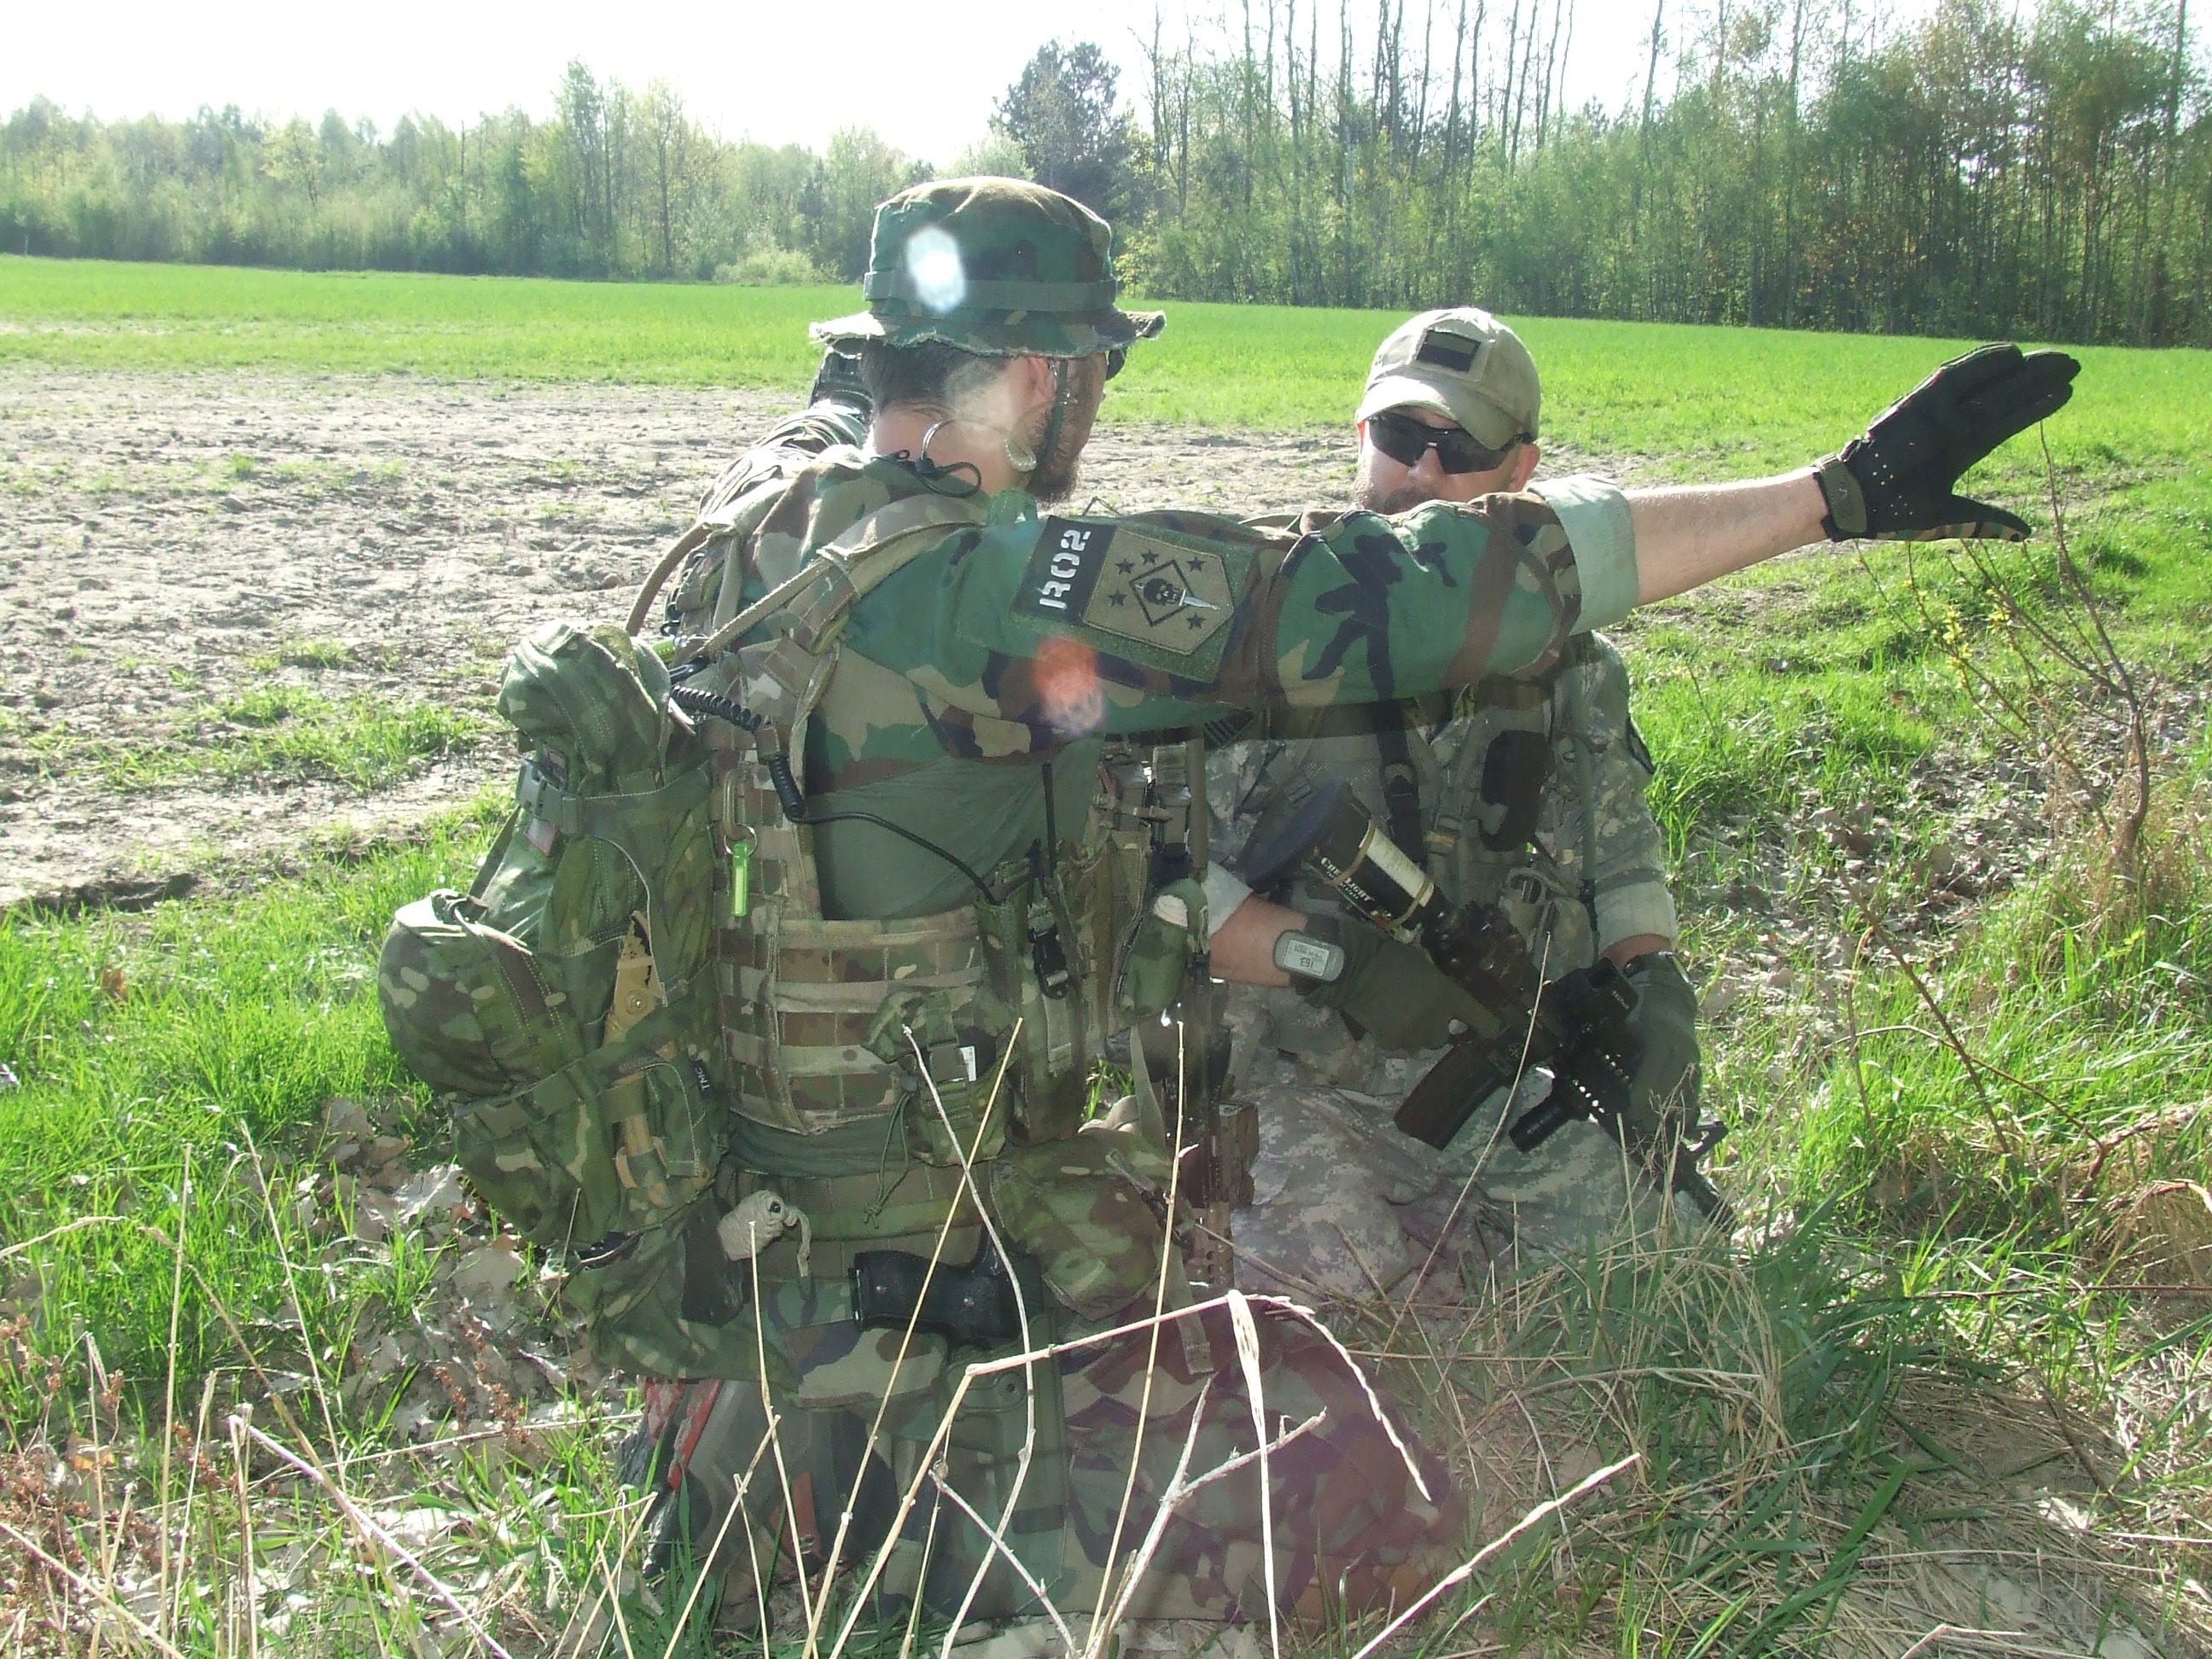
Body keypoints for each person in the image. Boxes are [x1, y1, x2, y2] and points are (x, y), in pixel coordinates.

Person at [549, 177, 2070, 1635]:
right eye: (1092, 370)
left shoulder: (771, 518)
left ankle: (793, 1495)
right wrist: (1830, 498)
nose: (1098, 402)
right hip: (915, 1266)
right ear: (1037, 377)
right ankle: (949, 1555)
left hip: (753, 1227)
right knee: (1379, 1508)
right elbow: (1401, 592)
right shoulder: (982, 596)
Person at [1204, 307, 1707, 1302]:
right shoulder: (1259, 635)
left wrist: (1654, 990)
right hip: (1292, 1074)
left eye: (1462, 448)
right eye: (1401, 435)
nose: (1423, 473)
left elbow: (1622, 863)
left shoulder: (1571, 666)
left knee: (1665, 1269)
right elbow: (1160, 889)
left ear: (1523, 468)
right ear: (1360, 434)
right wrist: (1334, 961)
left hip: (1484, 1074)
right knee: (1324, 1304)